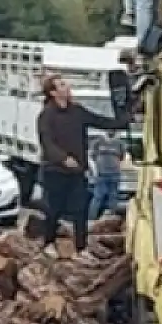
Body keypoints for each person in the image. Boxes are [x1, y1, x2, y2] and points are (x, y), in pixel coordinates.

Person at [37, 74, 127, 255]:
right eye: (62, 85)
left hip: (77, 171)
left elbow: (99, 121)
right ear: (53, 92)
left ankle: (81, 247)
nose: (67, 87)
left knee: (81, 210)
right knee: (53, 209)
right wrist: (63, 158)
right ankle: (49, 243)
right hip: (55, 170)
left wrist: (124, 120)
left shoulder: (77, 111)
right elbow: (46, 142)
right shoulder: (47, 114)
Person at [88, 130, 124, 221]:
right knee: (98, 197)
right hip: (101, 174)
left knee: (113, 197)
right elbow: (90, 158)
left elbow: (122, 157)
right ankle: (91, 219)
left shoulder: (119, 143)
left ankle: (112, 220)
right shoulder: (97, 142)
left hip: (115, 174)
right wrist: (95, 171)